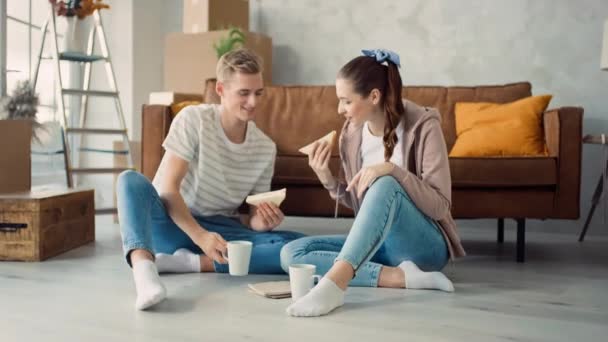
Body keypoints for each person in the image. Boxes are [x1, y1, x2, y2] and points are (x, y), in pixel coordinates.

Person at [280, 49, 466, 317]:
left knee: (385, 182)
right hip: (378, 245)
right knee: (293, 254)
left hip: (425, 246)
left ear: (374, 96)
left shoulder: (424, 125)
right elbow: (361, 201)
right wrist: (327, 178)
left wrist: (391, 170)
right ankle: (403, 278)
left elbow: (439, 206)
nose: (339, 110)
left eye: (345, 101)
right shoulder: (351, 135)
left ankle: (334, 285)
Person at [117, 48, 305, 310]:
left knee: (296, 245)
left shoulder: (265, 147)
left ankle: (192, 263)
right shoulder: (193, 120)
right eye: (244, 93)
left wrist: (263, 221)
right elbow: (169, 191)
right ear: (221, 90)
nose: (253, 102)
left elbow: (251, 218)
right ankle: (145, 272)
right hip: (172, 220)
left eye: (258, 93)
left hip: (219, 230)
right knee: (129, 180)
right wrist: (201, 237)